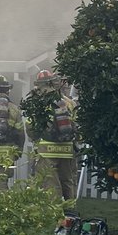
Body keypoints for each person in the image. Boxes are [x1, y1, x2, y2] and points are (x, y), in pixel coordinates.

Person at [29, 70, 79, 202]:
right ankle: (71, 215)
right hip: (67, 151)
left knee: (50, 184)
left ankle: (55, 217)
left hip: (47, 152)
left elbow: (31, 128)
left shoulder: (38, 103)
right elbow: (76, 125)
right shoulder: (69, 103)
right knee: (68, 183)